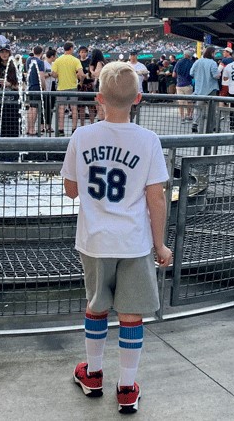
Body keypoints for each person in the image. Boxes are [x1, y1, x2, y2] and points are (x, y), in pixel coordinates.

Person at [61, 61, 172, 415]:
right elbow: (156, 197)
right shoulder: (148, 140)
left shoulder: (82, 137)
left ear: (98, 99)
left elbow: (70, 191)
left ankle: (92, 374)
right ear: (138, 98)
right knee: (131, 315)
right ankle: (127, 386)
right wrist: (160, 244)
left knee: (96, 306)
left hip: (94, 241)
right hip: (135, 242)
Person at [53, 42, 85, 136]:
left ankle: (61, 129)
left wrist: (60, 76)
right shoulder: (75, 60)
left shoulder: (58, 60)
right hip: (73, 87)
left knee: (61, 109)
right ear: (71, 49)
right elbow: (81, 74)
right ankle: (74, 129)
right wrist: (80, 82)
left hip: (61, 87)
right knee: (74, 109)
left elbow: (54, 74)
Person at [0, 43, 22, 137]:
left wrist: (9, 84)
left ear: (9, 53)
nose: (4, 54)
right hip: (1, 103)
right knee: (1, 130)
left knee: (14, 129)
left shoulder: (16, 67)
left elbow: (23, 86)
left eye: (6, 52)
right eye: (2, 52)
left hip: (13, 104)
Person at [189, 46, 220, 133]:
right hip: (211, 89)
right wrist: (219, 74)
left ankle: (195, 124)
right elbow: (215, 75)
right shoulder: (212, 63)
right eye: (214, 53)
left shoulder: (197, 62)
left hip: (199, 89)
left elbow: (191, 73)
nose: (215, 54)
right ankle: (213, 126)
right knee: (212, 109)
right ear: (211, 53)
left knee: (198, 108)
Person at [25, 45, 48, 135]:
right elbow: (41, 77)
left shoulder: (28, 60)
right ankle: (32, 129)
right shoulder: (40, 62)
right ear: (42, 53)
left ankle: (28, 128)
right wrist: (44, 87)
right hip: (37, 86)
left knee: (30, 108)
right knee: (35, 108)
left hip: (30, 86)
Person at [173, 49, 195, 122]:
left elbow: (174, 74)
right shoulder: (191, 63)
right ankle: (189, 115)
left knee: (181, 102)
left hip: (179, 84)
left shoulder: (178, 62)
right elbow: (193, 75)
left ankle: (182, 117)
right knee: (189, 101)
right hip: (188, 84)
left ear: (184, 55)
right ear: (190, 56)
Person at [88, 48, 107, 122]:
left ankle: (101, 118)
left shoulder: (99, 63)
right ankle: (101, 118)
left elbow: (96, 74)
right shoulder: (103, 62)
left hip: (99, 84)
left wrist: (91, 70)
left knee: (99, 103)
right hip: (102, 84)